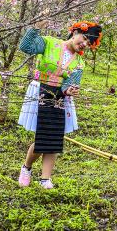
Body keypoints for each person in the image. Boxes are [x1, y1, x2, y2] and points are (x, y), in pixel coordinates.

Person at [17, 19, 102, 189]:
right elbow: (25, 47)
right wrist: (35, 28)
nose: (84, 43)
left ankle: (45, 179)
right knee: (42, 136)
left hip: (60, 97)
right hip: (41, 89)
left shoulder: (79, 63)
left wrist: (69, 90)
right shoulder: (49, 43)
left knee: (54, 138)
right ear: (75, 32)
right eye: (84, 38)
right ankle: (26, 168)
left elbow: (69, 84)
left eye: (88, 43)